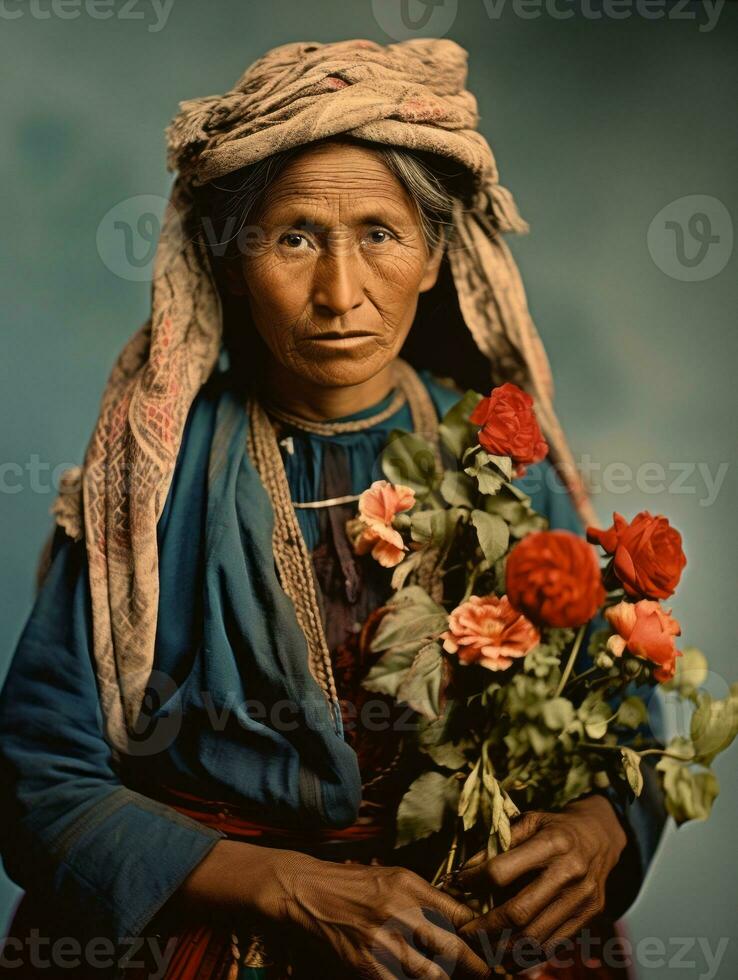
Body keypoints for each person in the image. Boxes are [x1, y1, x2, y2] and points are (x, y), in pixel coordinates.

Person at [0, 39, 666, 980]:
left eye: (381, 235)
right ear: (233, 263)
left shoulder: (504, 459)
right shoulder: (152, 486)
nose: (341, 295)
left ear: (435, 256)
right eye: (295, 237)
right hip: (221, 936)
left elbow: (624, 709)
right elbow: (38, 784)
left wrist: (603, 828)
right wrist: (290, 887)